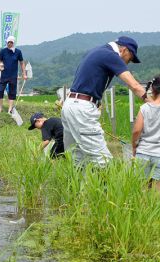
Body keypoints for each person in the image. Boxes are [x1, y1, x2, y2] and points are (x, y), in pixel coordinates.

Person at [61, 36, 150, 167]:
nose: (127, 63)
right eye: (130, 59)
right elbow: (134, 85)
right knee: (103, 160)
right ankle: (105, 188)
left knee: (77, 157)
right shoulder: (111, 56)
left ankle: (77, 187)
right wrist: (154, 104)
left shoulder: (97, 51)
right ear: (124, 50)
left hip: (70, 104)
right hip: (82, 108)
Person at [0, 35, 27, 113]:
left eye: (11, 42)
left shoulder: (18, 52)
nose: (9, 44)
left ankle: (10, 110)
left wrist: (24, 73)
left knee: (12, 93)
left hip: (13, 76)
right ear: (7, 42)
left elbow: (22, 63)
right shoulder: (3, 51)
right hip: (4, 75)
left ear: (13, 43)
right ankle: (0, 109)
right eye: (8, 42)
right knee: (0, 91)